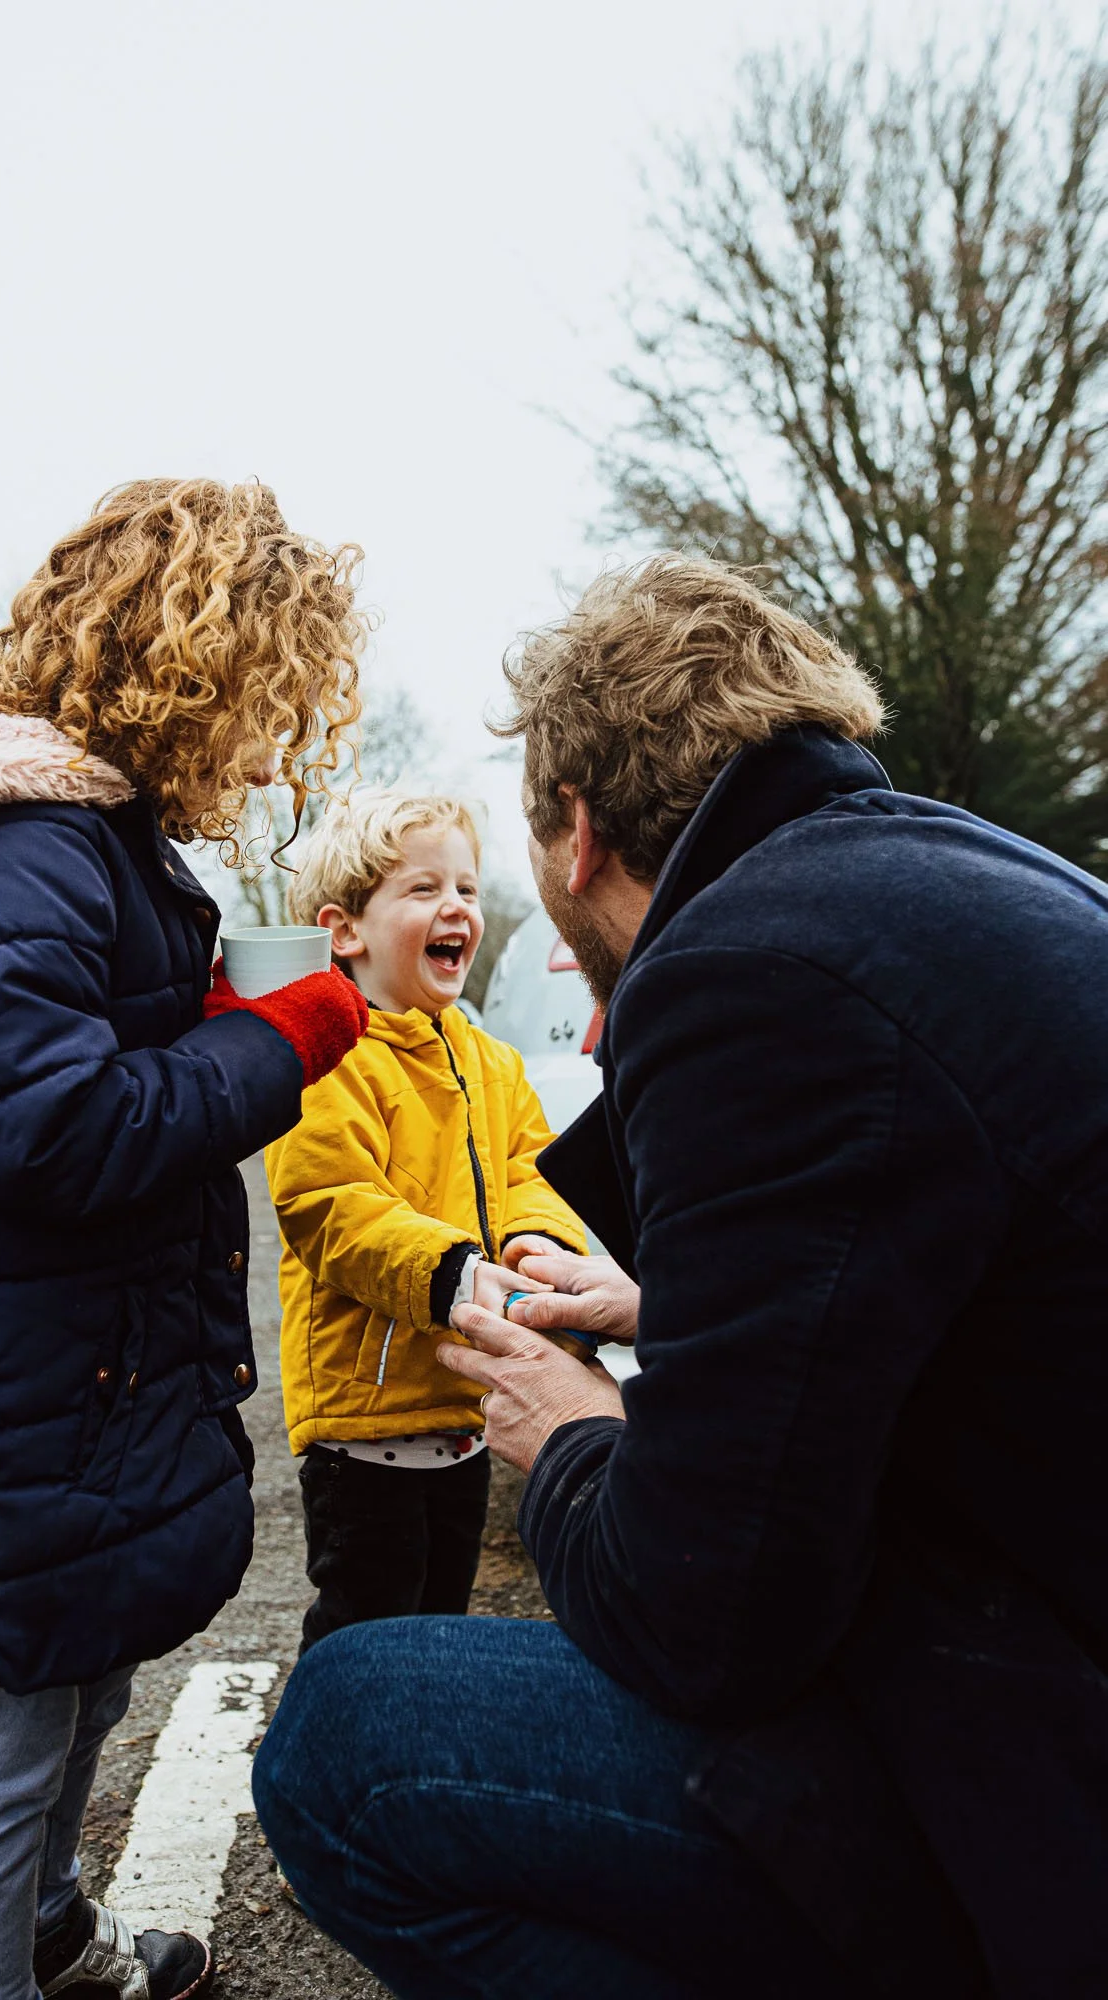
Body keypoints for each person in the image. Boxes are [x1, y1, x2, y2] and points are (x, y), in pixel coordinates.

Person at [253, 555, 1108, 1999]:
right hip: (1053, 1612)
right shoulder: (966, 876)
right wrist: (669, 1308)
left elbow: (702, 1621)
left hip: (1045, 1777)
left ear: (573, 833)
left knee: (346, 1734)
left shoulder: (749, 965)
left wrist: (574, 1442)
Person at [0, 478, 369, 2000]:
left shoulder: (78, 845)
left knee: (82, 1686)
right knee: (3, 1749)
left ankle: (52, 1936)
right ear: (191, 666)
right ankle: (0, 1948)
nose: (270, 738)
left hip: (47, 1387)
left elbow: (75, 1080)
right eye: (268, 695)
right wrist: (277, 1043)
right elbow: (55, 1132)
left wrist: (220, 1022)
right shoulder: (20, 857)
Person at [264, 790, 587, 1650]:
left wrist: (540, 1246)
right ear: (345, 931)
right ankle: (322, 1774)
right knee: (363, 1630)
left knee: (442, 1624)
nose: (457, 908)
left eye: (468, 890)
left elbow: (531, 1169)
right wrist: (451, 1274)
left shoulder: (491, 1061)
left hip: (465, 1411)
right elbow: (329, 1207)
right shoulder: (327, 1057)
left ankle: (411, 1776)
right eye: (422, 890)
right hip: (364, 1423)